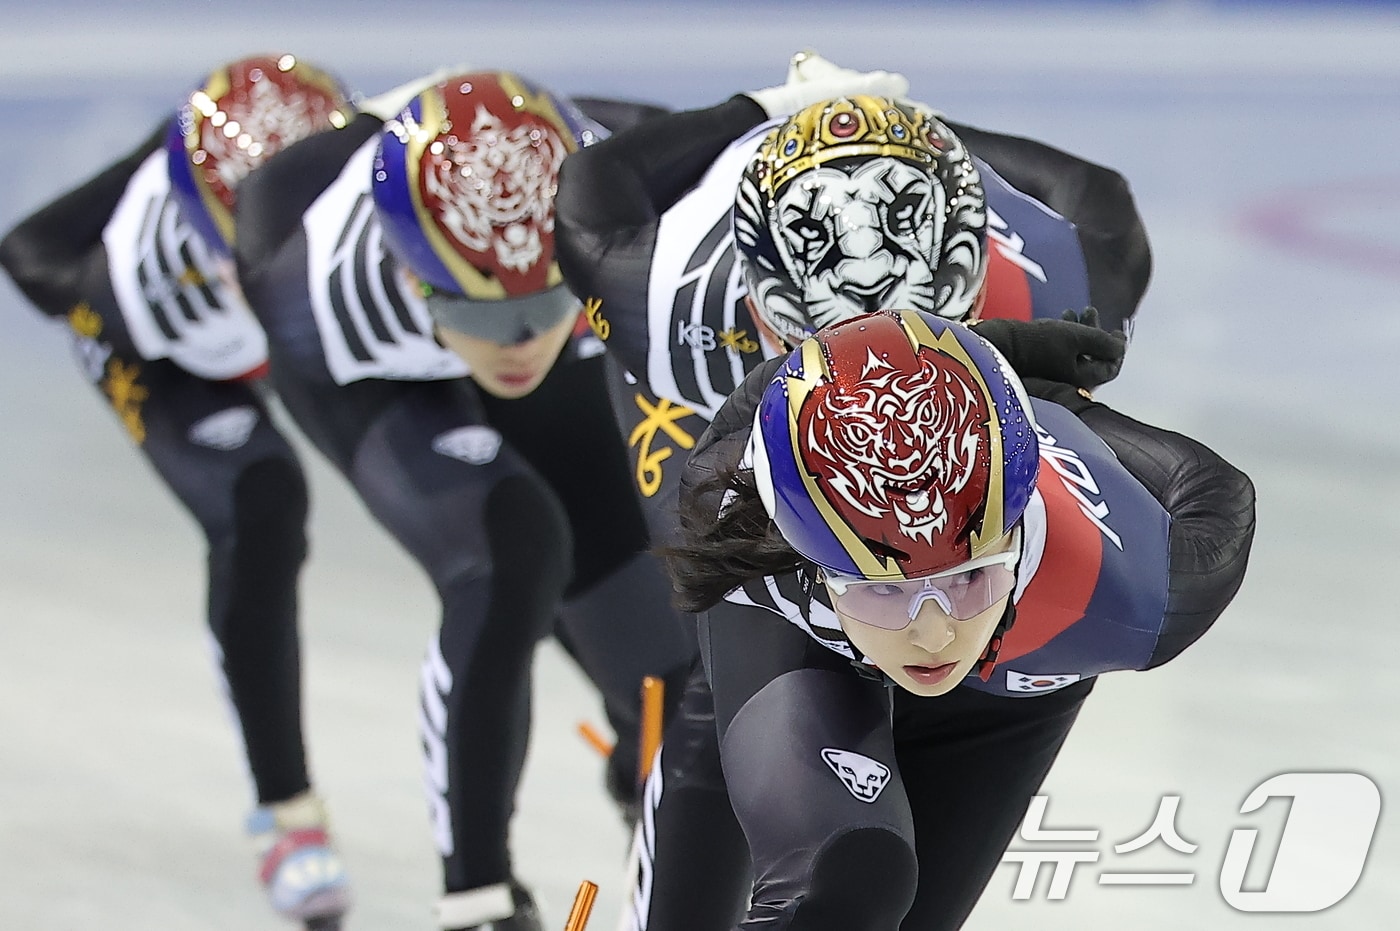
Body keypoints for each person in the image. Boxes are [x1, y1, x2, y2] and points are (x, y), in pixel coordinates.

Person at [553, 54, 1150, 931]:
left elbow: (1099, 197)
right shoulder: (674, 302)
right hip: (719, 432)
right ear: (762, 310)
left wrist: (898, 124)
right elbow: (594, 186)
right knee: (728, 663)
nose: (875, 401)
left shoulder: (1061, 279)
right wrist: (771, 109)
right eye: (836, 357)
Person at [232, 69, 694, 931]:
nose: (514, 342)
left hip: (560, 336)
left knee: (671, 659)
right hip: (373, 372)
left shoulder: (623, 184)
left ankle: (660, 797)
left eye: (542, 301)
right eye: (481, 315)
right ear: (412, 279)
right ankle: (476, 898)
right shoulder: (301, 276)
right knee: (509, 553)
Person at [663, 308, 1255, 930]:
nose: (934, 633)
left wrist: (1058, 407)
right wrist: (986, 350)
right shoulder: (746, 527)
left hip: (1014, 672)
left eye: (969, 575)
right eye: (881, 589)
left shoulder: (1132, 594)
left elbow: (1221, 491)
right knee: (847, 882)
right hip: (812, 637)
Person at [0, 53, 359, 929]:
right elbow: (27, 253)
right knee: (262, 507)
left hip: (279, 334)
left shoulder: (369, 172)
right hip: (164, 356)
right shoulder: (130, 267)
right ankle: (286, 812)